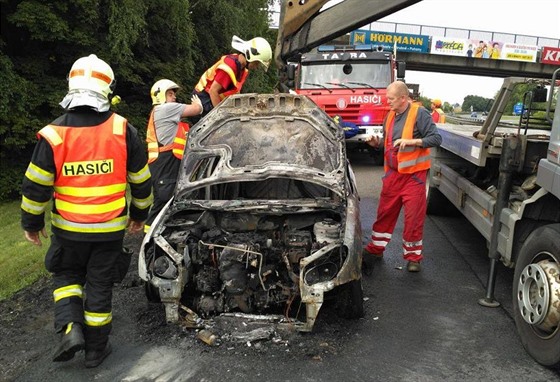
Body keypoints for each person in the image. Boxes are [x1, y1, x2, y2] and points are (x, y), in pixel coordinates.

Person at [21, 54, 152, 368]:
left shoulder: (53, 134)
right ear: (107, 88)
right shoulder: (123, 129)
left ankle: (70, 328)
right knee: (99, 286)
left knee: (66, 276)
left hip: (68, 231)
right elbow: (142, 181)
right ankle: (96, 351)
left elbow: (36, 186)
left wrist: (31, 222)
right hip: (108, 231)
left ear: (71, 84)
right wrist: (139, 215)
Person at [362, 81, 442, 273]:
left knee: (413, 218)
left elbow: (436, 138)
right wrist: (376, 143)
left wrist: (412, 141)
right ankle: (376, 249)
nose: (387, 101)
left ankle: (413, 258)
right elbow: (389, 144)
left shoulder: (419, 113)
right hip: (393, 176)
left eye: (391, 98)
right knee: (384, 214)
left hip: (413, 177)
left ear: (403, 98)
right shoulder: (390, 115)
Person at [144, 79, 203, 232]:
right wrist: (199, 102)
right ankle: (149, 241)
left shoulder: (164, 114)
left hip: (164, 164)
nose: (174, 97)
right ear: (160, 96)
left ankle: (155, 236)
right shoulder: (165, 109)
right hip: (165, 164)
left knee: (164, 202)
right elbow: (196, 109)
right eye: (170, 94)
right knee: (163, 202)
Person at [191, 35, 272, 120]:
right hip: (204, 99)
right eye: (257, 63)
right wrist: (220, 116)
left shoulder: (242, 69)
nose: (256, 67)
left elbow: (236, 92)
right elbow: (213, 91)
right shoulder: (229, 68)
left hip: (215, 100)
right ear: (250, 55)